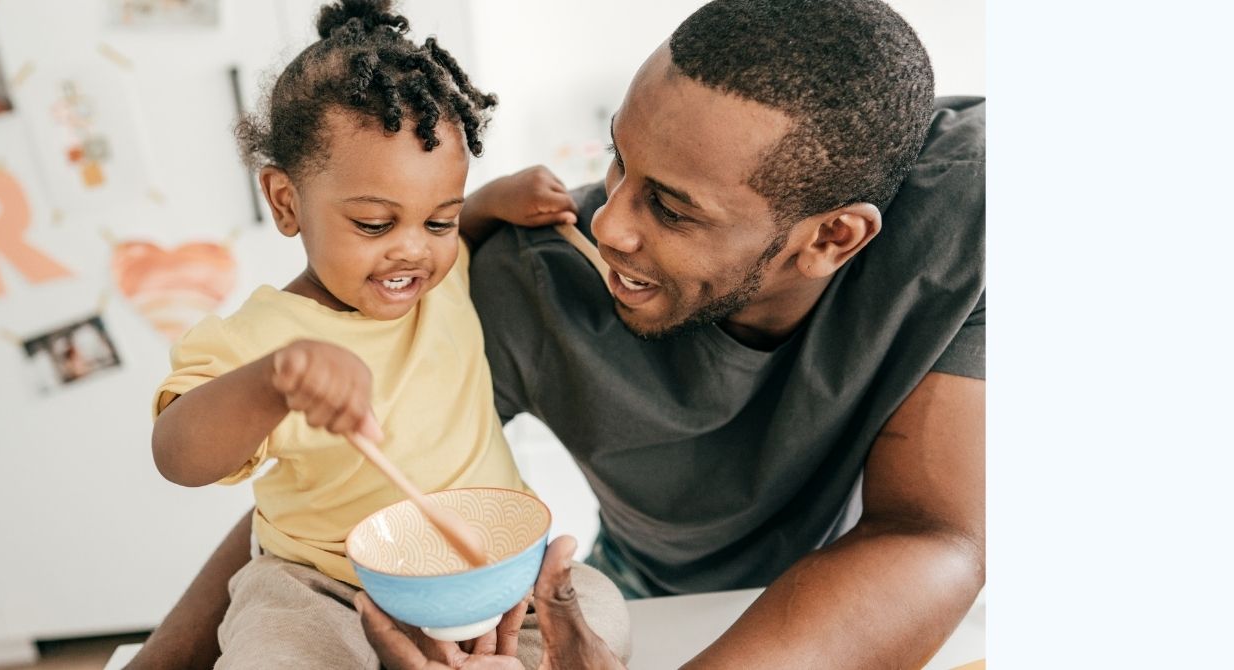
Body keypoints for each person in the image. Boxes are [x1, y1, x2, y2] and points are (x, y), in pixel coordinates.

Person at [135, 0, 984, 667]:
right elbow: (318, 478)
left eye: (672, 207)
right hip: (653, 595)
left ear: (832, 238)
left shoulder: (979, 205)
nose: (607, 223)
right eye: (617, 161)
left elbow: (932, 536)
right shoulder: (528, 279)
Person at [146, 1, 629, 668]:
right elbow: (177, 455)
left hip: (485, 568)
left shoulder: (443, 277)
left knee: (601, 614)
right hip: (326, 587)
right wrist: (273, 380)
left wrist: (493, 201)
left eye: (438, 222)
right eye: (374, 224)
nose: (413, 252)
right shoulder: (256, 342)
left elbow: (461, 232)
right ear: (286, 202)